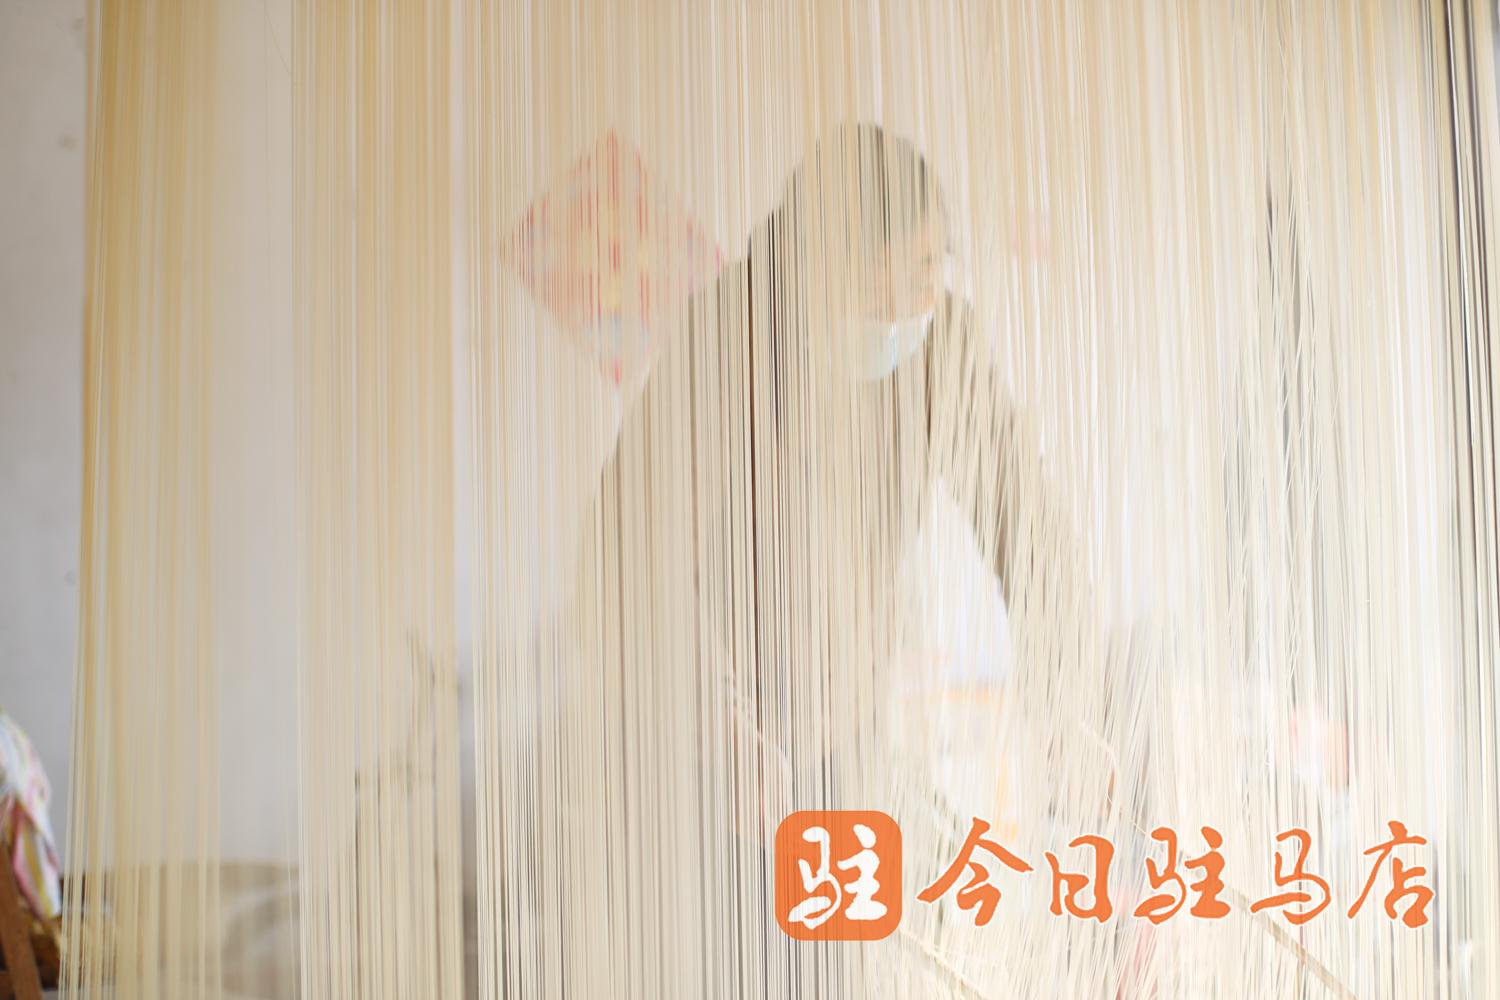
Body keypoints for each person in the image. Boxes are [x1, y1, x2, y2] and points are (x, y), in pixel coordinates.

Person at [544, 124, 1117, 995]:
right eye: (909, 269)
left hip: (841, 736)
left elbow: (1027, 524)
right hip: (700, 754)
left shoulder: (942, 345)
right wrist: (722, 726)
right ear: (837, 264)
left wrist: (1069, 699)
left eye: (937, 265)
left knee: (839, 972)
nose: (929, 292)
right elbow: (625, 563)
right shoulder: (732, 340)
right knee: (725, 972)